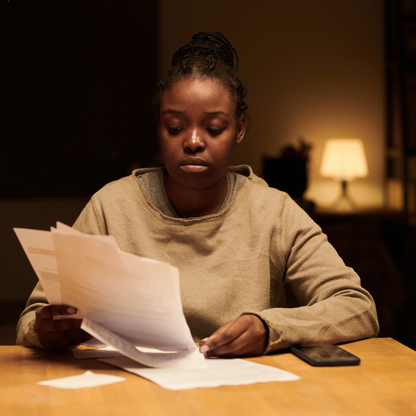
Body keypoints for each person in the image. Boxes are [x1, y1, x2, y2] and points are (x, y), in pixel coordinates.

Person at [16, 31, 379, 357]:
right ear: (158, 127)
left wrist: (272, 329)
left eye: (214, 127)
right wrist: (47, 330)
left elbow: (357, 308)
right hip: (130, 393)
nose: (192, 141)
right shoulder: (111, 206)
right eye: (175, 127)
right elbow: (33, 317)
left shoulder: (274, 212)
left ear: (239, 129)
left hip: (244, 394)